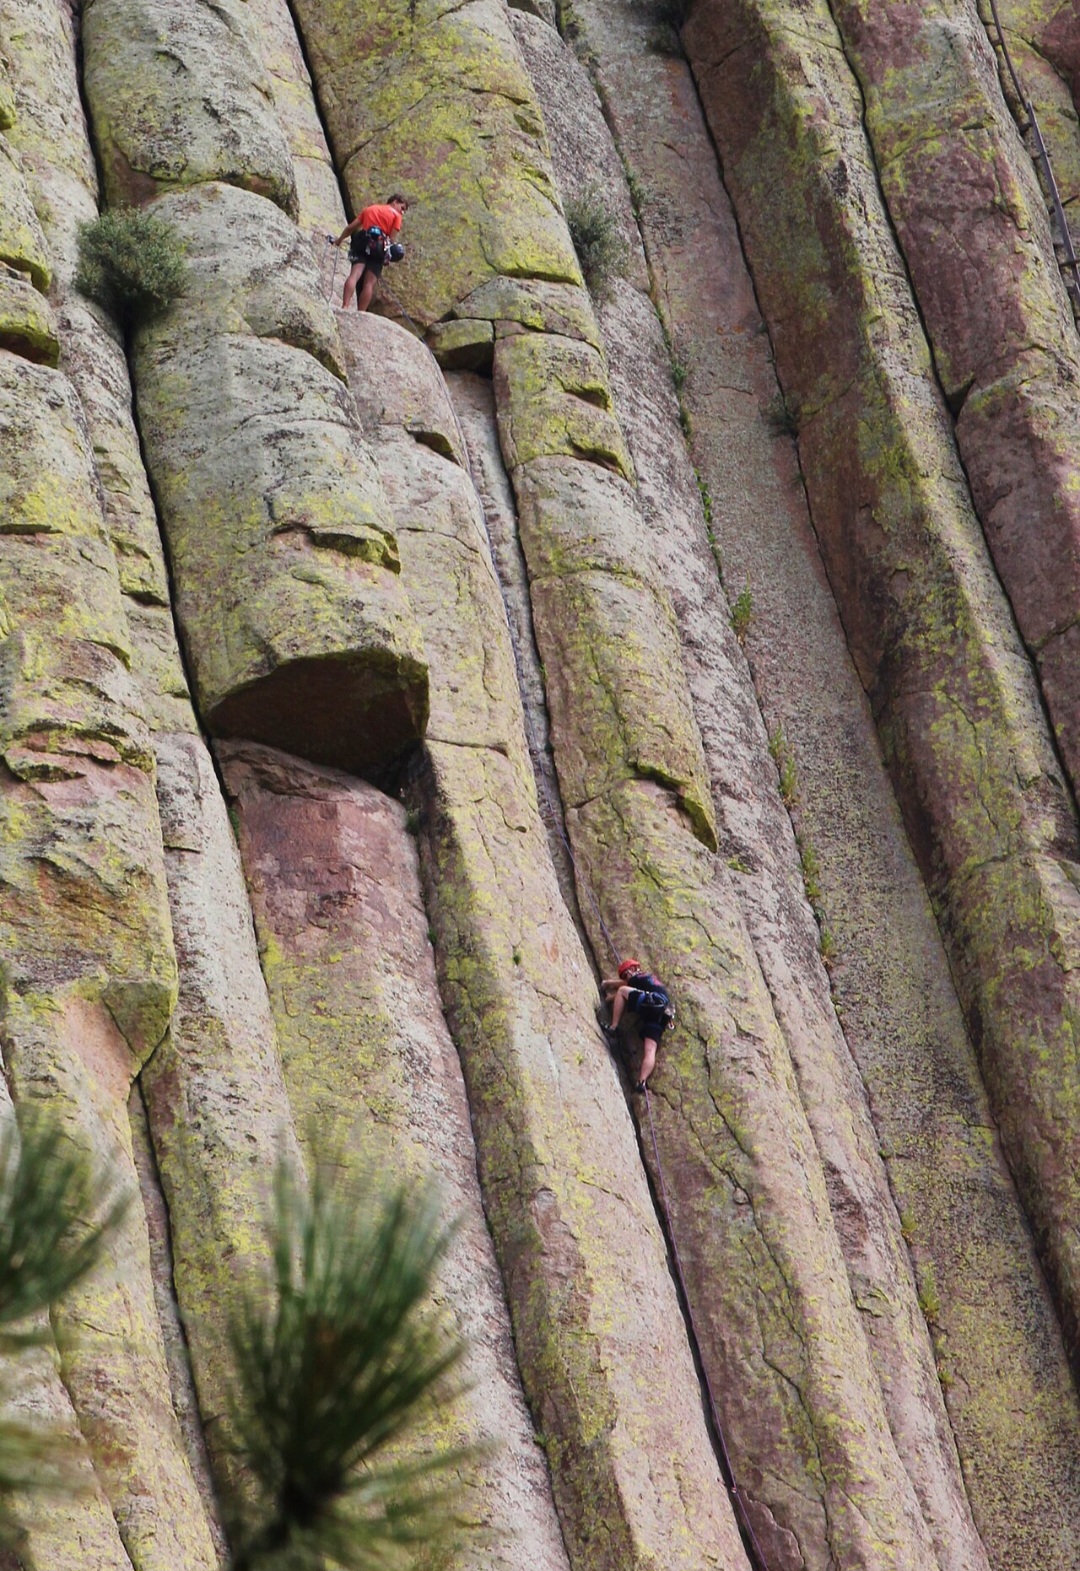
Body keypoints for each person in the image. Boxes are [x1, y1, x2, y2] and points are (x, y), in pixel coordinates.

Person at [600, 958, 673, 1094]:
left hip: (652, 1001)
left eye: (626, 974)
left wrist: (609, 987)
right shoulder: (650, 980)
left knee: (622, 991)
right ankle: (642, 1081)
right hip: (663, 1013)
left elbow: (625, 985)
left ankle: (614, 1027)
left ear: (632, 970)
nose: (627, 977)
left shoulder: (640, 976)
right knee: (650, 1049)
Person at [333, 194, 408, 312]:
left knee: (355, 274)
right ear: (395, 202)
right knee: (369, 283)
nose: (402, 212)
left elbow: (351, 227)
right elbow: (392, 239)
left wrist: (339, 240)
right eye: (402, 208)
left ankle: (345, 306)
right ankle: (361, 313)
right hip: (379, 246)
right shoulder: (396, 216)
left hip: (363, 240)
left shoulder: (370, 209)